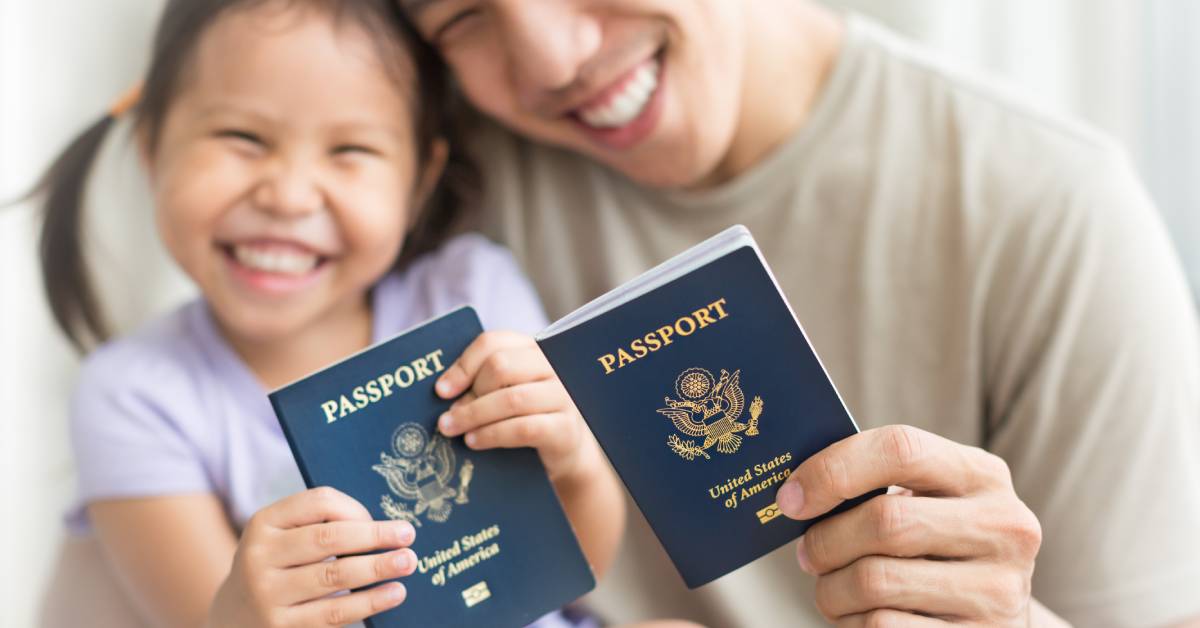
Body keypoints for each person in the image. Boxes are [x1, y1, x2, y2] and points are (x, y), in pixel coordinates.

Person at [399, 0, 1200, 626]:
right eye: (462, 16)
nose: (554, 58)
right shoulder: (419, 175)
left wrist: (1013, 619)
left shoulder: (1052, 207)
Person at [31, 0, 636, 626]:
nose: (289, 195)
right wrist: (242, 609)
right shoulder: (135, 395)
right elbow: (202, 614)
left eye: (349, 150)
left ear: (420, 182)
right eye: (243, 139)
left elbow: (579, 573)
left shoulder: (469, 291)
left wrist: (574, 463)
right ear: (152, 149)